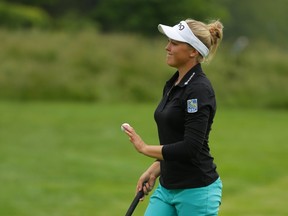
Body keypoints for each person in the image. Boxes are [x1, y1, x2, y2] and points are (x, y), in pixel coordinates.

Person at [122, 18, 224, 216]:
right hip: (167, 188)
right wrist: (156, 167)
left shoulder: (199, 90)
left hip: (197, 191)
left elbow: (190, 147)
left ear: (193, 51)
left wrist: (145, 149)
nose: (167, 47)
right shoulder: (173, 84)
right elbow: (174, 139)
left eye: (174, 43)